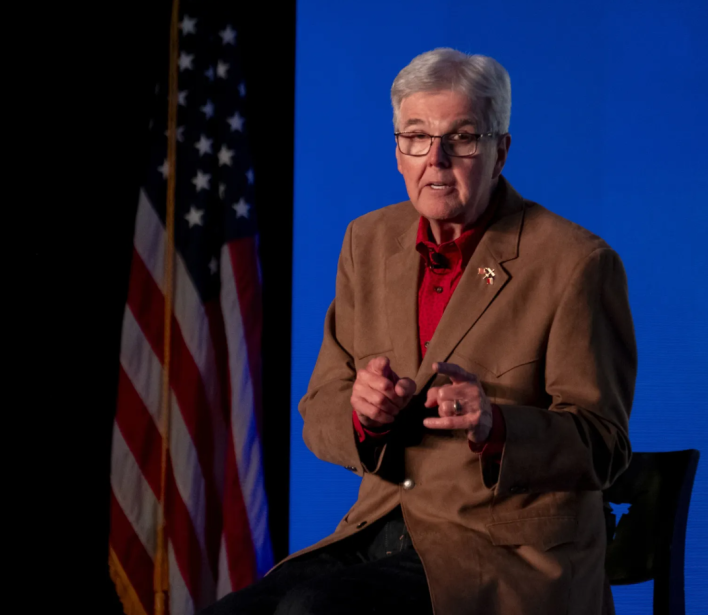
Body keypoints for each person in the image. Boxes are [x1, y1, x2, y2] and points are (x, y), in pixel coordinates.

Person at [201, 47, 636, 615]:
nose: (437, 158)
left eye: (462, 137)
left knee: (311, 610)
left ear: (500, 151)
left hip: (506, 555)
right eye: (416, 136)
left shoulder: (576, 263)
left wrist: (496, 424)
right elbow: (319, 409)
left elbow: (604, 444)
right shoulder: (368, 241)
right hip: (381, 528)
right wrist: (364, 416)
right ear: (399, 151)